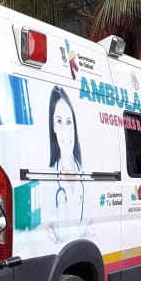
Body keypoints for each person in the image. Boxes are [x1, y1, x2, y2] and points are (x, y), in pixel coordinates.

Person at [47, 85, 88, 244]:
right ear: (53, 126)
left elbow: (93, 229)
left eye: (69, 122)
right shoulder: (46, 180)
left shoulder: (88, 177)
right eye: (59, 121)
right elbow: (45, 237)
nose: (65, 130)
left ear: (75, 125)